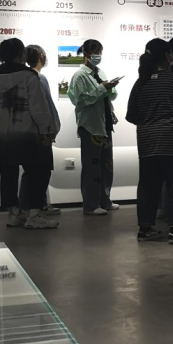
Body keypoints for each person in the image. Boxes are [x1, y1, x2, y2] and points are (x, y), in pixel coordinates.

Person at [0, 37, 59, 229]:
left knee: (7, 174)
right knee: (39, 171)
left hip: (2, 133)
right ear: (21, 54)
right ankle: (34, 214)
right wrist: (47, 130)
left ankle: (14, 214)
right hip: (29, 133)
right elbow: (39, 108)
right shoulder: (29, 76)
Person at [126, 38, 173, 244]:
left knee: (147, 187)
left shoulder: (141, 82)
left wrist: (149, 121)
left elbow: (131, 115)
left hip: (147, 142)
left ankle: (145, 229)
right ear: (167, 56)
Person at [68, 39, 121, 215]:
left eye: (100, 52)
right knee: (92, 167)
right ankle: (91, 204)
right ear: (86, 54)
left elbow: (110, 97)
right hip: (90, 126)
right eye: (96, 52)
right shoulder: (79, 76)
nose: (98, 56)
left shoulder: (100, 72)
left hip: (104, 124)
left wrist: (110, 88)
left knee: (107, 165)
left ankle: (105, 200)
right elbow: (80, 100)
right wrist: (101, 88)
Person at [25, 44, 61, 217]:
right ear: (41, 55)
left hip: (33, 131)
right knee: (41, 171)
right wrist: (50, 128)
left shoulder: (28, 77)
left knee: (32, 172)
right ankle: (37, 208)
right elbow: (46, 106)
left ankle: (34, 206)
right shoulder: (38, 78)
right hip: (42, 131)